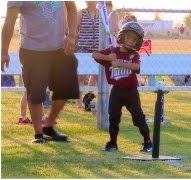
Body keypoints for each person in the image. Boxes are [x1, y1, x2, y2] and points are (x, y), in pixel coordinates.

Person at [1, 1, 79, 143]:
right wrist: (4, 52)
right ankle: (38, 135)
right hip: (32, 50)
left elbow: (71, 7)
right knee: (35, 93)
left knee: (68, 87)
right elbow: (9, 21)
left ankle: (48, 126)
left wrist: (72, 35)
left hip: (60, 49)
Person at [92, 22, 153, 152]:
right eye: (129, 37)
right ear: (122, 36)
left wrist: (118, 63)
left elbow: (136, 67)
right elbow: (95, 55)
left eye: (135, 39)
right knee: (114, 117)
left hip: (131, 92)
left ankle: (148, 142)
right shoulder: (112, 52)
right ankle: (113, 143)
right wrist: (108, 57)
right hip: (116, 92)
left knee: (138, 117)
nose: (131, 41)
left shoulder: (134, 55)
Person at [81, 1, 119, 111]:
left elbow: (115, 29)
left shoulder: (113, 15)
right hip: (100, 47)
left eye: (109, 4)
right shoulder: (99, 15)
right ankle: (90, 97)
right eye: (105, 4)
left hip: (110, 45)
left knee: (101, 74)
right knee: (96, 74)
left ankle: (94, 98)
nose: (107, 6)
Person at [76, 1, 99, 111]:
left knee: (98, 76)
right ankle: (79, 102)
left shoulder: (101, 14)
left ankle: (94, 99)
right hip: (83, 48)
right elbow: (74, 30)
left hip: (98, 50)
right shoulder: (81, 13)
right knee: (80, 76)